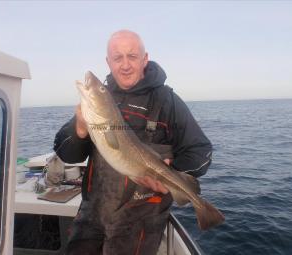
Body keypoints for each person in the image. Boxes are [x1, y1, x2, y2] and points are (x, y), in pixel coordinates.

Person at [54, 30, 212, 255]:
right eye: (118, 58)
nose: (125, 65)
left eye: (132, 56)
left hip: (139, 226)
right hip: (91, 216)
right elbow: (66, 154)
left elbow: (201, 152)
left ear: (145, 59)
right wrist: (80, 127)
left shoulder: (167, 102)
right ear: (108, 62)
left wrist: (172, 172)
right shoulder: (100, 105)